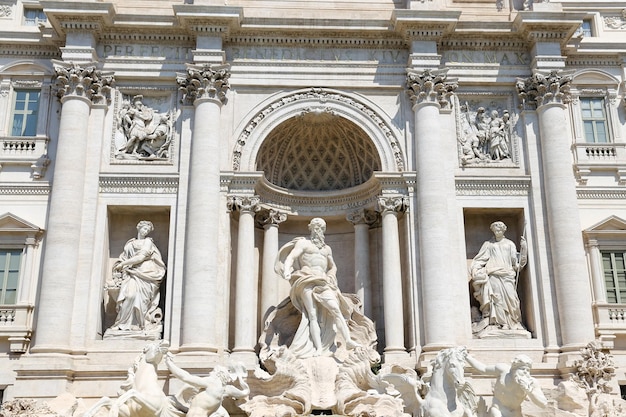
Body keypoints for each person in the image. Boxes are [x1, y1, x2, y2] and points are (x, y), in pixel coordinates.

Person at [276, 218, 359, 357]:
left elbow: (332, 266)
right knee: (312, 315)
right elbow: (291, 256)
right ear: (311, 228)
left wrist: (332, 275)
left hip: (323, 281)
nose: (317, 230)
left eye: (320, 228)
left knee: (335, 309)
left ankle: (348, 340)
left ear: (324, 230)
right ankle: (318, 348)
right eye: (315, 227)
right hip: (306, 280)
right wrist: (287, 269)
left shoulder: (327, 249)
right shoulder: (304, 243)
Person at [107, 220, 166, 333]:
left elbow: (140, 258)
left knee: (141, 300)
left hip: (146, 273)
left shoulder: (148, 242)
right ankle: (122, 324)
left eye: (148, 230)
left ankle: (139, 325)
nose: (146, 231)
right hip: (132, 273)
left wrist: (124, 264)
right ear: (139, 228)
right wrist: (121, 266)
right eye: (144, 228)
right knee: (129, 296)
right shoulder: (130, 244)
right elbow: (124, 257)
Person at [470, 221, 526, 331]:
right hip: (493, 275)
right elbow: (480, 259)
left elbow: (517, 264)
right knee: (497, 300)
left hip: (507, 275)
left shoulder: (510, 244)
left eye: (499, 230)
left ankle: (514, 321)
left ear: (504, 230)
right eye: (495, 230)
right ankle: (502, 323)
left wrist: (524, 250)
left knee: (512, 299)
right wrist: (476, 269)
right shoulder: (488, 244)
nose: (497, 232)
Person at [165, 355, 249, 417]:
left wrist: (169, 364)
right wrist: (241, 378)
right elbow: (245, 392)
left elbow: (186, 377)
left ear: (219, 374)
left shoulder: (212, 382)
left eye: (213, 372)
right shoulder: (225, 390)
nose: (210, 373)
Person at [465, 354, 547, 417]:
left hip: (515, 413)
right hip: (498, 409)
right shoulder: (503, 371)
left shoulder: (531, 382)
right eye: (522, 369)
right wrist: (467, 357)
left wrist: (529, 391)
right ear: (513, 369)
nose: (525, 372)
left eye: (528, 370)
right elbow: (484, 369)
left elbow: (543, 404)